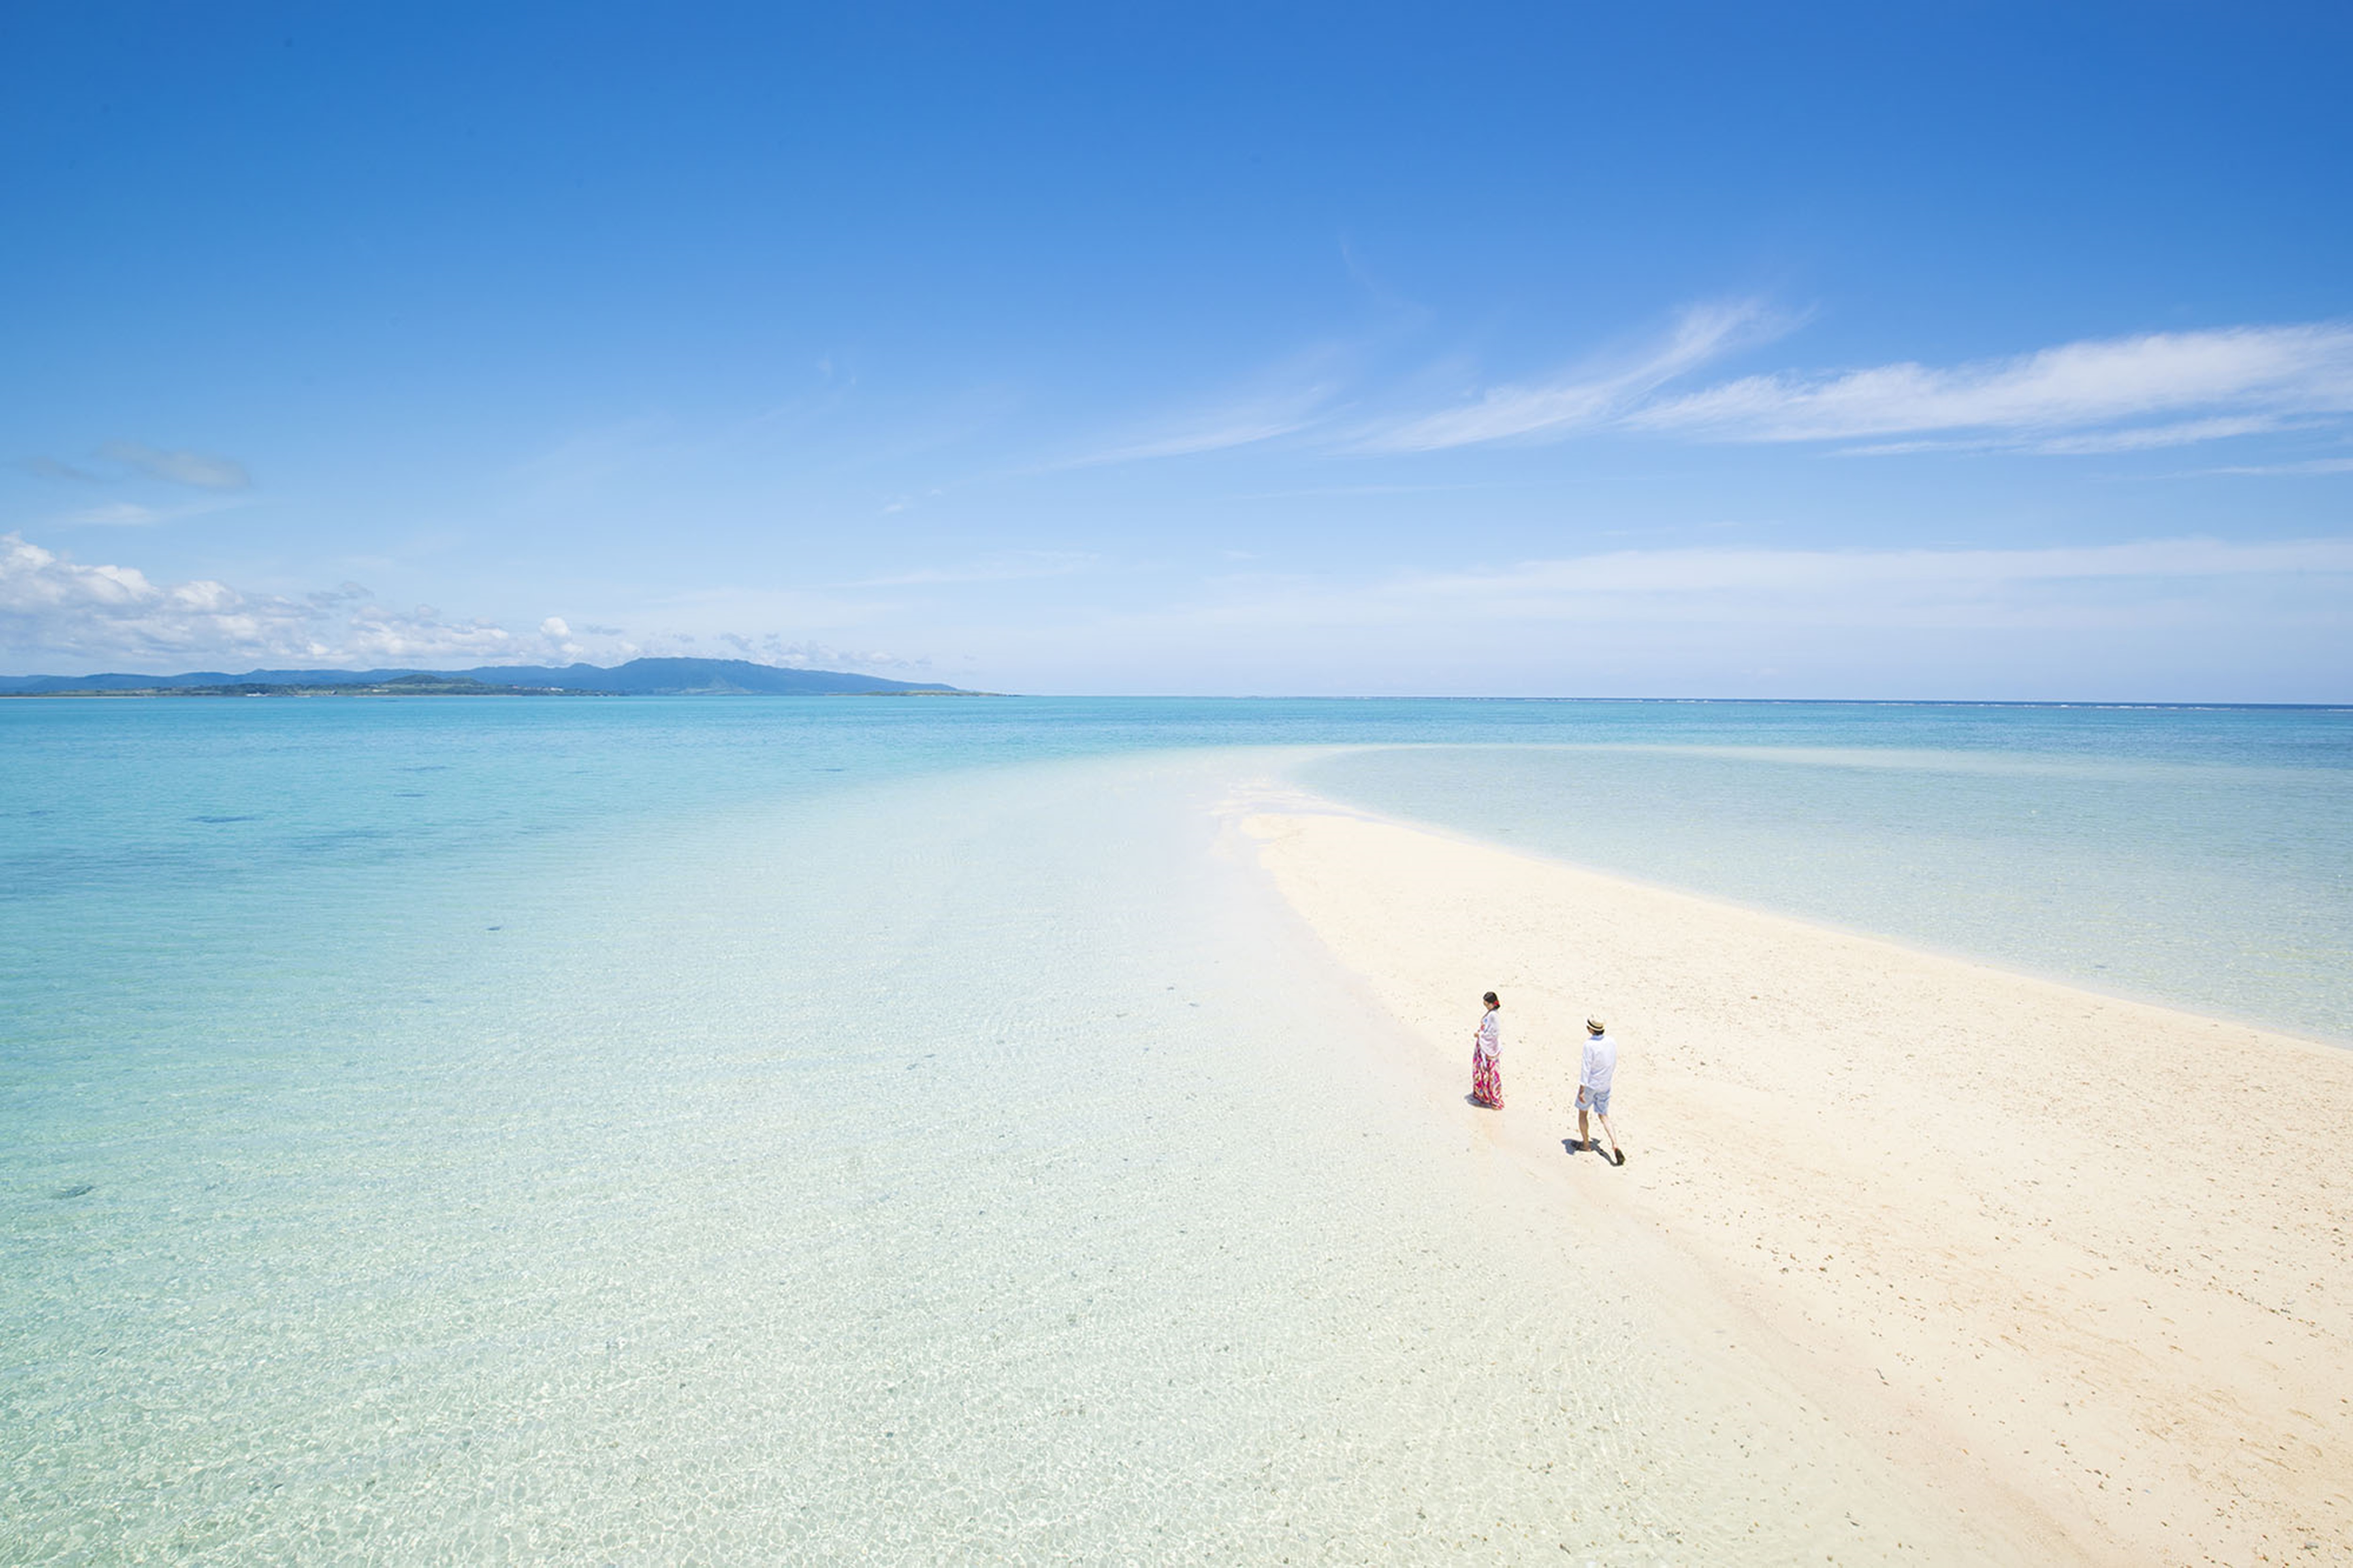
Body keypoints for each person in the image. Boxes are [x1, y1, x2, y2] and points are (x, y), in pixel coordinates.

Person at [1575, 1017, 1625, 1164]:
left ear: (1591, 1030)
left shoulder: (1589, 1045)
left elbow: (1586, 1068)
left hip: (1591, 1085)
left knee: (1583, 1113)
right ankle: (1615, 1144)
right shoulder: (1611, 1042)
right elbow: (1613, 1060)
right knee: (1604, 1116)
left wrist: (1582, 1089)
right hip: (1605, 1084)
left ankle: (1586, 1145)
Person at [1470, 992, 1503, 1108]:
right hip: (1485, 1045)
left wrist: (1481, 1035)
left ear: (1492, 1004)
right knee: (1484, 1070)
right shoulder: (1491, 1013)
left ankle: (1492, 1098)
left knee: (1490, 1072)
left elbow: (1495, 1033)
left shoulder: (1494, 1015)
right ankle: (1484, 1095)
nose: (1485, 1006)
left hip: (1489, 1047)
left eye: (1487, 1004)